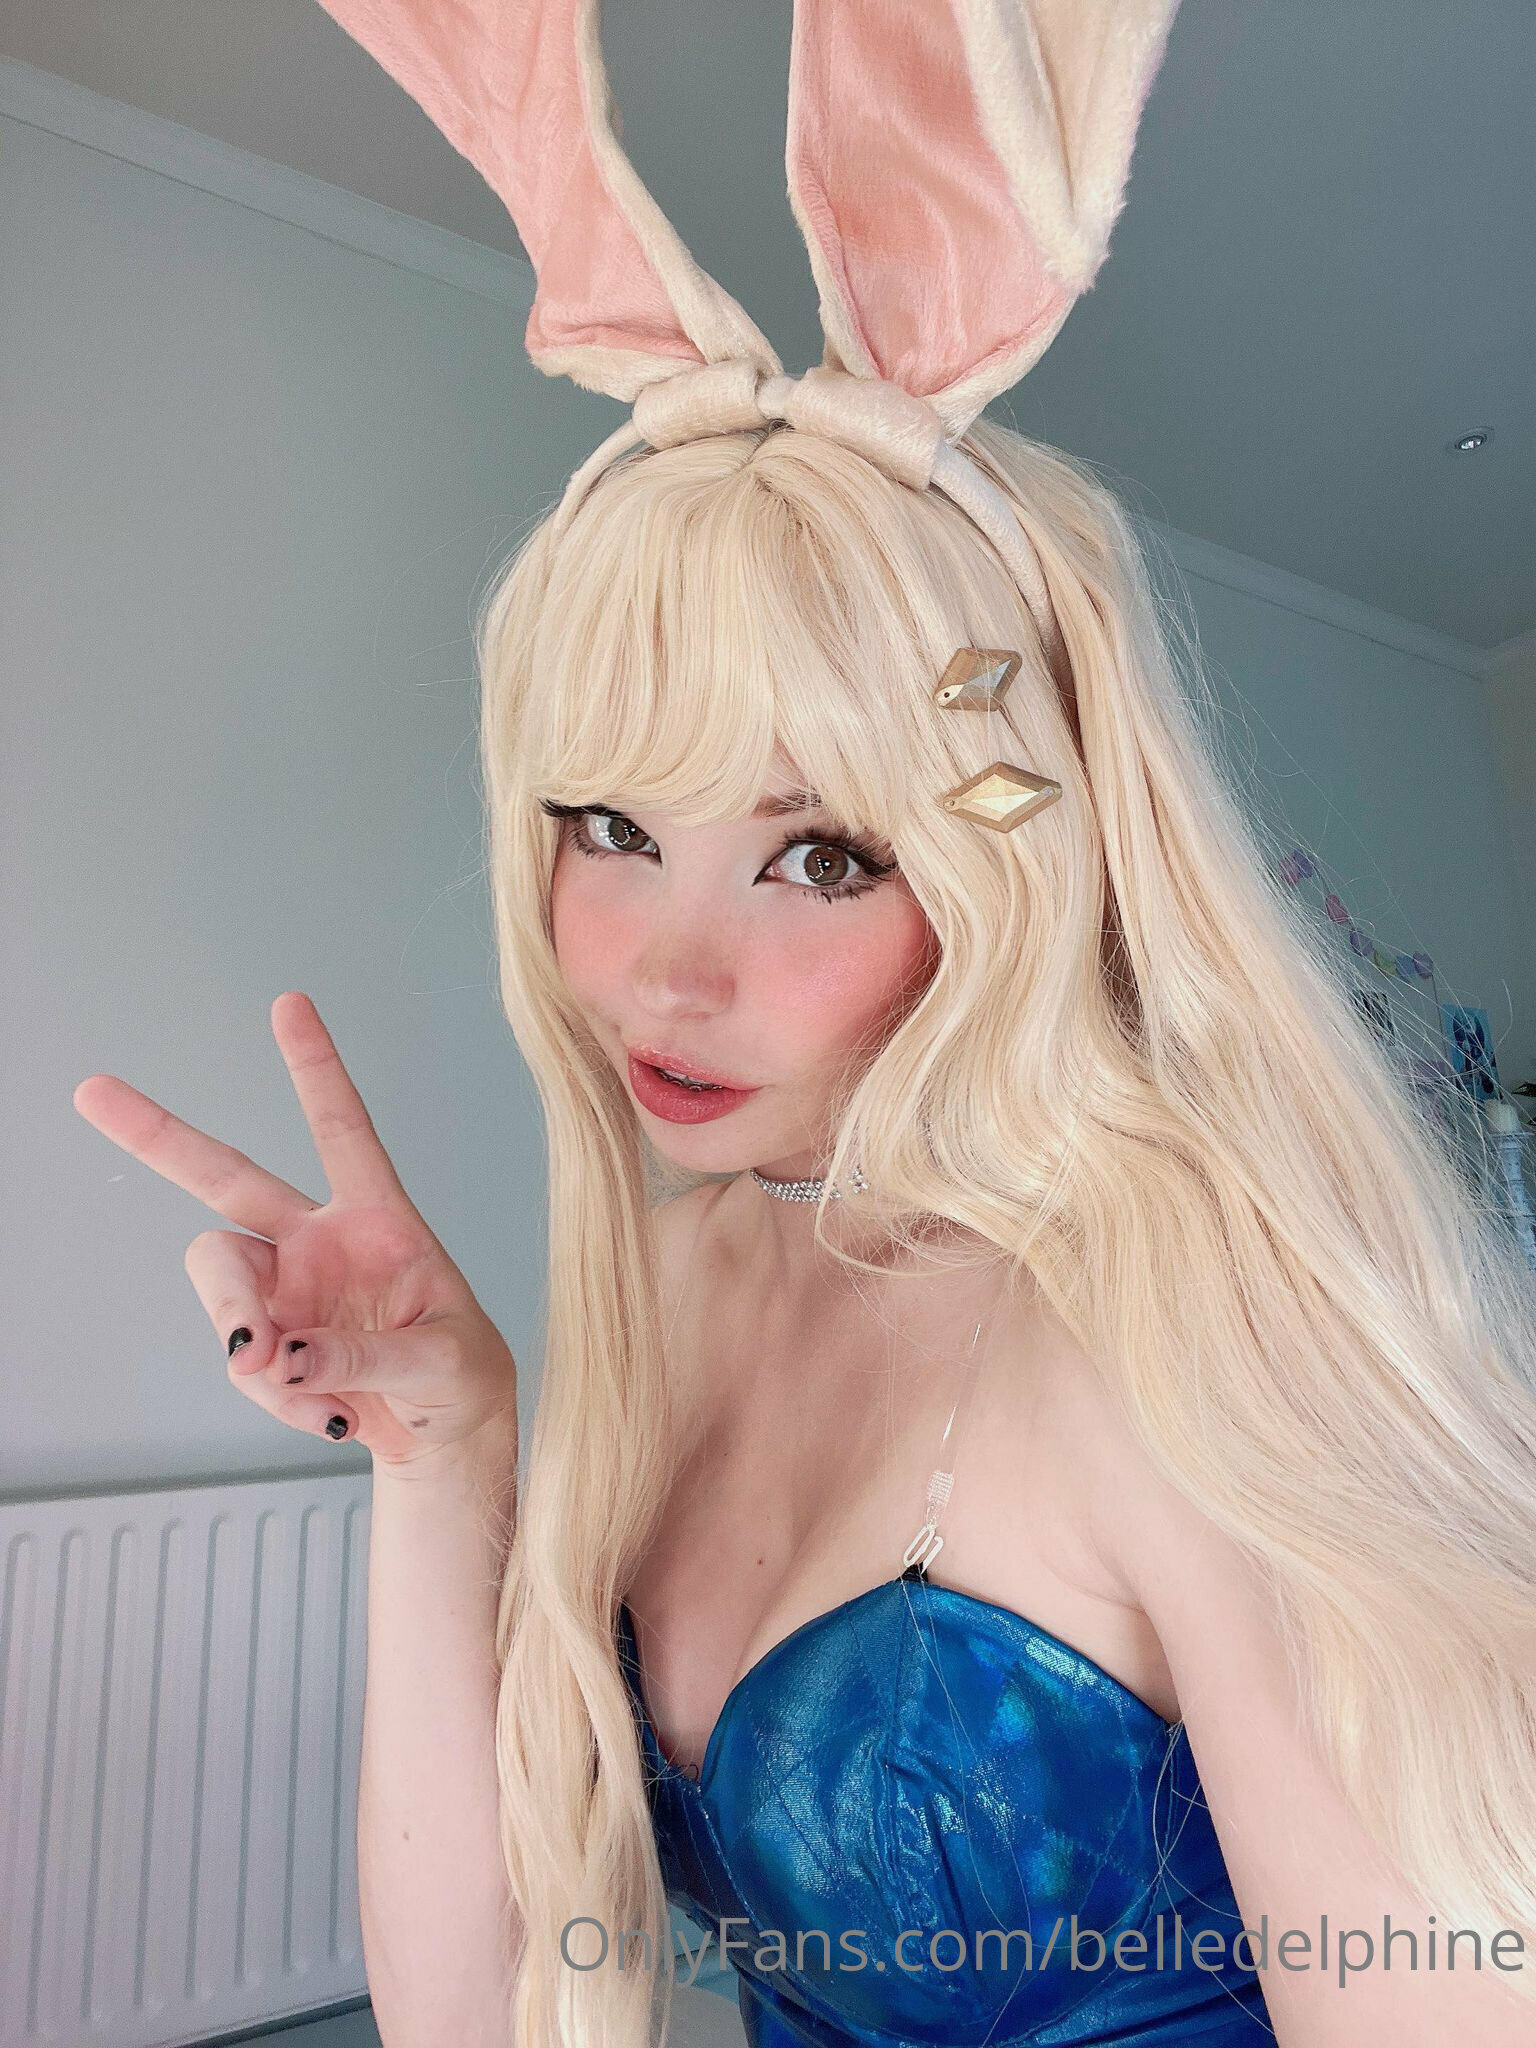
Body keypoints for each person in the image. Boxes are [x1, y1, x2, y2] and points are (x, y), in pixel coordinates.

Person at [75, 2, 1536, 2045]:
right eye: (613, 830)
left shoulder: (1180, 1323)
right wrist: (446, 1457)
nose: (668, 975)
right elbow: (473, 2010)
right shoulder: (679, 1276)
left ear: (1012, 869)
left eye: (823, 855)